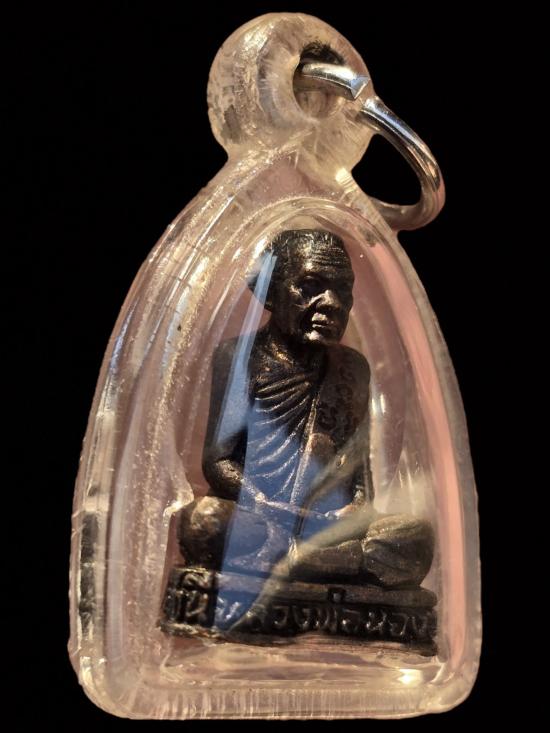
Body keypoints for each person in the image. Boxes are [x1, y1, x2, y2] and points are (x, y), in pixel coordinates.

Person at [178, 229, 433, 589]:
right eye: (311, 287)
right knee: (204, 520)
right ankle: (333, 561)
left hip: (328, 525)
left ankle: (293, 559)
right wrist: (265, 504)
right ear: (270, 292)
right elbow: (218, 462)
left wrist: (353, 512)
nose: (331, 303)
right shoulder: (239, 357)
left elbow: (359, 474)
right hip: (261, 514)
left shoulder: (353, 369)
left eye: (343, 290)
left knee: (413, 536)